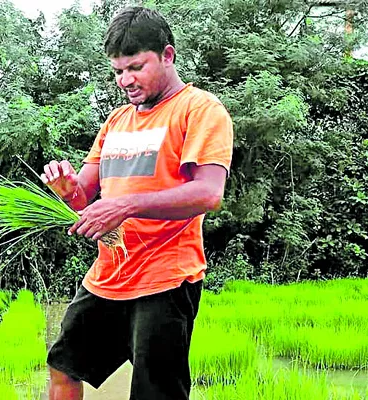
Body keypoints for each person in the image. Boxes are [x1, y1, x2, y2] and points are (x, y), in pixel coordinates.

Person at [40, 6, 234, 400]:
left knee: (155, 392)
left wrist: (126, 205)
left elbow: (208, 193)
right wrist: (66, 189)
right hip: (108, 276)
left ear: (167, 55)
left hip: (165, 277)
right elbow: (84, 197)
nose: (124, 80)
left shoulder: (200, 110)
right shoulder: (116, 122)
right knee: (63, 367)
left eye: (136, 67)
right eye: (117, 71)